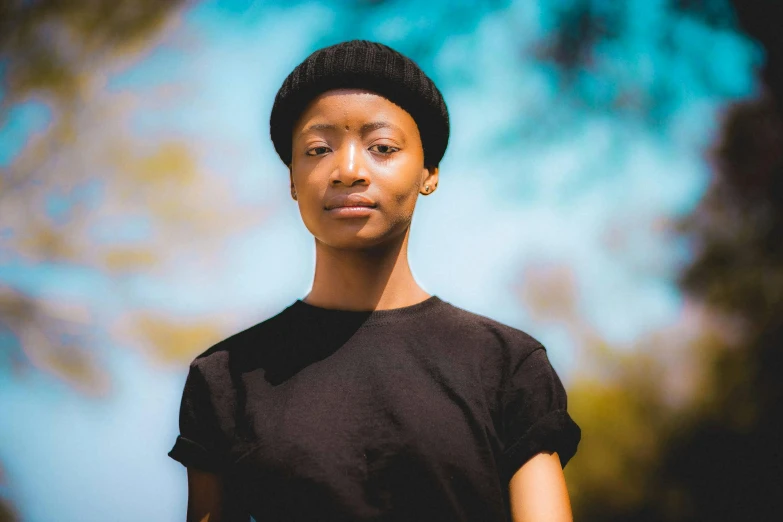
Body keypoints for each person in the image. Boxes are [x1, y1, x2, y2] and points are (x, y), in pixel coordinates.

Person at [168, 39, 581, 522]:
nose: (347, 170)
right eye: (318, 149)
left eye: (381, 147)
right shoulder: (225, 379)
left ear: (429, 172)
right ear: (292, 180)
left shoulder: (507, 366)